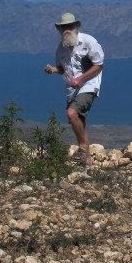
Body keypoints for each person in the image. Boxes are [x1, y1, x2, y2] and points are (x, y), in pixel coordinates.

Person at [44, 13, 104, 165]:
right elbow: (63, 69)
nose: (67, 30)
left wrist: (81, 79)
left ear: (76, 27)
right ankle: (87, 159)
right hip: (73, 89)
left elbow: (99, 65)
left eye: (70, 26)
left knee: (72, 113)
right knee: (78, 121)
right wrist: (54, 70)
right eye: (64, 27)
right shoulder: (61, 49)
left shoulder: (88, 41)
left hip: (89, 84)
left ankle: (83, 148)